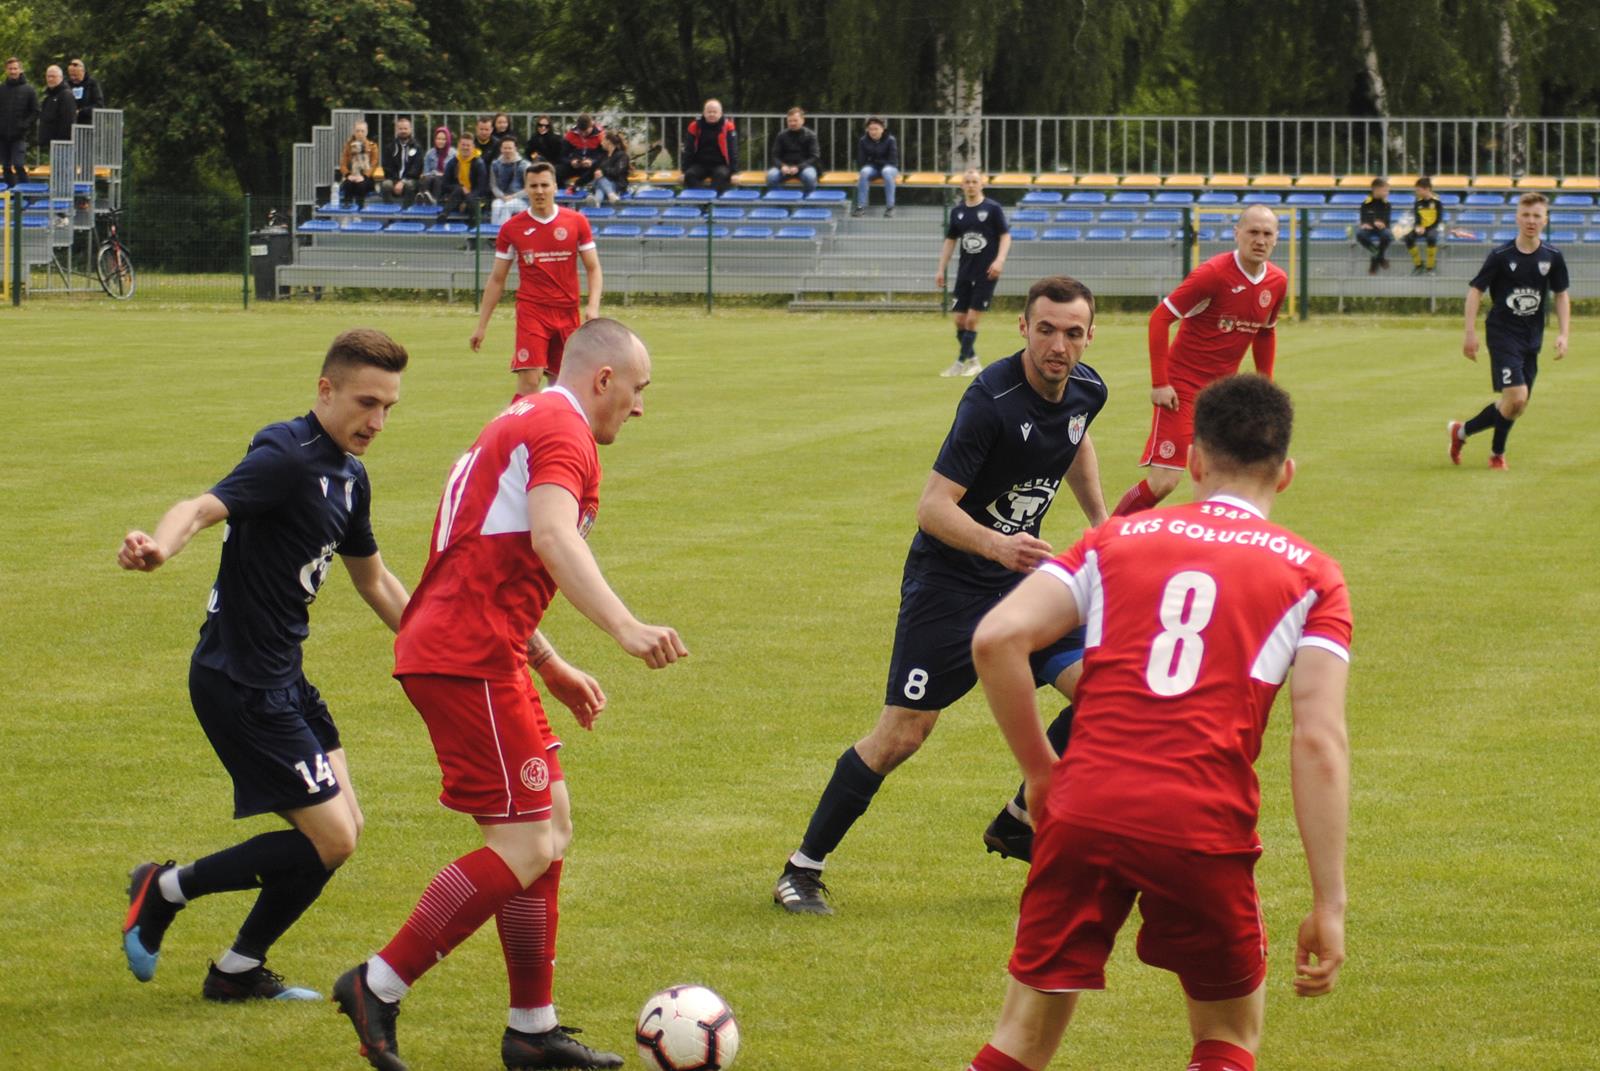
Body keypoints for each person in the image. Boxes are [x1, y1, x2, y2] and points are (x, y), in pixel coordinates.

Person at [962, 373, 1351, 1071]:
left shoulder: (1113, 541)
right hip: (1202, 822)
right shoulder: (1314, 576)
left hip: (1086, 807)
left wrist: (1041, 773)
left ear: (1196, 461)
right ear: (1286, 473)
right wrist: (1330, 900)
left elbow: (996, 639)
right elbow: (1318, 737)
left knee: (1020, 1038)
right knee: (1228, 1036)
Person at [332, 319, 687, 1071]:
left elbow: (490, 557)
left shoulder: (526, 416)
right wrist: (624, 626)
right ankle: (378, 982)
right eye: (638, 389)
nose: (641, 406)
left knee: (549, 820)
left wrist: (551, 663)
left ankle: (532, 1028)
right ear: (602, 380)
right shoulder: (566, 432)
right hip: (467, 656)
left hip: (478, 647)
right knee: (525, 841)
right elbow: (557, 538)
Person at [772, 275, 1110, 916]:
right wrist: (998, 545)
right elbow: (933, 508)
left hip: (1021, 584)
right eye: (1045, 330)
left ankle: (1019, 820)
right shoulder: (991, 402)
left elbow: (1074, 442)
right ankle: (802, 868)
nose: (1058, 346)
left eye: (1072, 333)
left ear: (1090, 335)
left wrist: (1102, 526)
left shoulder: (1088, 389)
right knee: (902, 735)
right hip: (950, 584)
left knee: (1104, 694)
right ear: (1023, 328)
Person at [117, 329, 412, 1004]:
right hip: (239, 681)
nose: (377, 420)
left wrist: (443, 645)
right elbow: (200, 506)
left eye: (390, 406)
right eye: (367, 401)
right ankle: (161, 890)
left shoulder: (349, 476)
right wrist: (160, 548)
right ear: (325, 389)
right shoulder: (284, 452)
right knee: (331, 837)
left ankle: (238, 970)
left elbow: (377, 581)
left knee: (345, 832)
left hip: (285, 676)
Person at [1110, 204, 1286, 517]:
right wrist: (1160, 383)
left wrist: (1264, 387)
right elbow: (1159, 319)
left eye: (1267, 234)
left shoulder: (1276, 282)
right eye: (1253, 232)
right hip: (1182, 387)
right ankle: (1104, 538)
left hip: (1222, 397)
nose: (1260, 240)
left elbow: (1264, 333)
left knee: (1221, 481)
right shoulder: (1213, 274)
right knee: (1164, 481)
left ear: (1276, 238)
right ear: (1237, 234)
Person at [1448, 191, 1570, 471]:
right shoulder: (1501, 256)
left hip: (1532, 337)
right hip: (1503, 334)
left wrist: (1564, 334)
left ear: (1545, 219)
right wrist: (1469, 332)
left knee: (1516, 404)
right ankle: (1496, 455)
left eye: (1536, 216)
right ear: (1517, 218)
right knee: (1516, 396)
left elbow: (1561, 295)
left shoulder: (1552, 256)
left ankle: (1461, 432)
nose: (1531, 221)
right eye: (1526, 215)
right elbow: (1475, 291)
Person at [472, 161, 603, 396]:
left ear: (555, 187)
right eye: (533, 186)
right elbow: (497, 279)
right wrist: (482, 326)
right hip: (532, 311)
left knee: (561, 386)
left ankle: (555, 432)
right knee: (530, 380)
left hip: (567, 312)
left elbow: (593, 268)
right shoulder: (512, 228)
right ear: (526, 188)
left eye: (545, 185)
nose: (539, 191)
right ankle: (519, 432)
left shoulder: (576, 222)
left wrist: (592, 307)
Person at [935, 169, 1011, 378]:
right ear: (962, 186)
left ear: (982, 184)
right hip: (964, 273)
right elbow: (950, 241)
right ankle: (975, 362)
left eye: (974, 182)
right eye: (967, 182)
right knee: (959, 320)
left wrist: (999, 260)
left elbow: (1005, 237)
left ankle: (959, 363)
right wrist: (941, 268)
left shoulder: (992, 209)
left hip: (986, 273)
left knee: (971, 321)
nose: (970, 185)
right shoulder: (957, 212)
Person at [681, 99, 738, 193]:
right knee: (689, 175)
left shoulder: (728, 126)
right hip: (700, 164)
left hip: (721, 165)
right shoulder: (694, 126)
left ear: (721, 113)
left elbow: (733, 151)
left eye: (715, 112)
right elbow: (689, 150)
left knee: (721, 176)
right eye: (709, 112)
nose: (712, 114)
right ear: (704, 113)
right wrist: (684, 171)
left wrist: (735, 173)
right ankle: (703, 200)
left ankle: (711, 202)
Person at [0, 57, 39, 189]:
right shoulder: (2, 89)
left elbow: (35, 111)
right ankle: (10, 193)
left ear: (20, 70)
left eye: (15, 68)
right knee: (5, 166)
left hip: (19, 135)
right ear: (6, 70)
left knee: (18, 164)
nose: (13, 71)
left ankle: (27, 193)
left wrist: (25, 125)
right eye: (10, 68)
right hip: (3, 135)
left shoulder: (29, 90)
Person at [437, 130, 489, 225]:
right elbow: (445, 184)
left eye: (468, 145)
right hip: (456, 197)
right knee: (459, 189)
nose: (465, 148)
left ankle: (445, 213)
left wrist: (467, 198)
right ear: (459, 145)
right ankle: (444, 215)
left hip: (474, 198)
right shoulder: (453, 162)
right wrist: (461, 188)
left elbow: (481, 188)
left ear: (473, 147)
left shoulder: (479, 164)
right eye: (463, 145)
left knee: (471, 202)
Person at [766, 107, 820, 194]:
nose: (792, 123)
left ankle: (805, 203)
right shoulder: (781, 135)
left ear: (802, 120)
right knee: (771, 176)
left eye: (795, 120)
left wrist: (798, 167)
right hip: (784, 168)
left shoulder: (811, 135)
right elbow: (774, 155)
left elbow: (815, 157)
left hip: (804, 167)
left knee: (810, 177)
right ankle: (782, 202)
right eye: (790, 121)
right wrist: (782, 166)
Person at [853, 117, 898, 217]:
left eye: (876, 129)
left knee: (886, 172)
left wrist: (874, 160)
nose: (873, 132)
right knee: (864, 172)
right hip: (872, 167)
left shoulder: (891, 140)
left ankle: (890, 207)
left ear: (883, 129)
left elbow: (892, 160)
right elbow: (861, 161)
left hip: (889, 168)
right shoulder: (863, 141)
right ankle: (860, 207)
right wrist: (873, 162)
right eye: (870, 129)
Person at [382, 116, 425, 206]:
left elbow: (417, 168)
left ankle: (407, 215)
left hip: (410, 180)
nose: (403, 131)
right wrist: (396, 181)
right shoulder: (390, 147)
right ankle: (391, 215)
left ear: (410, 129)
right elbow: (387, 167)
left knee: (410, 185)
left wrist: (403, 182)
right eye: (400, 128)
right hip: (393, 180)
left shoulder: (417, 147)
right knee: (386, 185)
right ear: (396, 130)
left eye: (405, 128)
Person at [490, 133, 532, 225]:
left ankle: (504, 234)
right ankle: (493, 234)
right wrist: (502, 196)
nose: (507, 150)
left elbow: (528, 188)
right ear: (501, 149)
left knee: (508, 206)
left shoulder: (525, 165)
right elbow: (493, 186)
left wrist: (513, 197)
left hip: (522, 200)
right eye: (505, 148)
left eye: (510, 148)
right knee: (496, 205)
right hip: (503, 197)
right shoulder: (495, 164)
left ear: (515, 148)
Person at [1404, 176, 1443, 274]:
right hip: (1421, 227)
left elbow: (1438, 219)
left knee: (1431, 237)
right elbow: (1417, 217)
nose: (1417, 192)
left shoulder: (1437, 201)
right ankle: (1418, 265)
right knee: (1408, 237)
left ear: (1427, 189)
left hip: (1433, 227)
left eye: (1418, 190)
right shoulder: (1417, 202)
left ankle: (1430, 266)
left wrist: (1426, 228)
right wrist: (1418, 226)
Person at [339, 121, 378, 209]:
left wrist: (363, 176)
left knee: (361, 185)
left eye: (362, 131)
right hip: (351, 175)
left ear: (366, 132)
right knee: (348, 184)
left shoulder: (373, 146)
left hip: (366, 178)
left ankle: (359, 209)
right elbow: (343, 164)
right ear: (354, 132)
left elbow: (374, 164)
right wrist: (348, 175)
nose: (360, 133)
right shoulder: (348, 146)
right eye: (357, 131)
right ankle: (347, 209)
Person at [1356, 177, 1392, 274]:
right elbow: (1363, 220)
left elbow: (1386, 222)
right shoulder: (1365, 203)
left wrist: (1378, 223)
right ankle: (1380, 257)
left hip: (1381, 229)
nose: (1387, 193)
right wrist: (1370, 223)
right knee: (1360, 234)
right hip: (1368, 229)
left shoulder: (1387, 204)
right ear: (1376, 189)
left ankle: (1375, 262)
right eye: (1385, 190)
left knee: (1387, 235)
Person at [561, 113, 604, 192]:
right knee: (558, 171)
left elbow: (604, 155)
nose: (583, 135)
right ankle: (560, 194)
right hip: (575, 166)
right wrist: (571, 161)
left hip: (591, 167)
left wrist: (592, 161)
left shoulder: (601, 135)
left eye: (586, 132)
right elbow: (562, 156)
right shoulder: (570, 135)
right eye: (581, 132)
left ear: (592, 126)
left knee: (597, 170)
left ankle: (575, 187)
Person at [37, 65, 76, 148]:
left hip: (62, 145)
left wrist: (61, 141)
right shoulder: (48, 97)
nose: (50, 79)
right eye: (48, 76)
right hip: (51, 144)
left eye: (53, 76)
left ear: (60, 78)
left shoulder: (66, 95)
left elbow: (68, 121)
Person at [417, 124, 455, 206]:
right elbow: (426, 171)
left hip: (446, 179)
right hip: (431, 177)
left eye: (443, 139)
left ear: (448, 140)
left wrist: (441, 174)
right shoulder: (430, 153)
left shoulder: (453, 154)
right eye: (438, 139)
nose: (440, 141)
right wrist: (432, 174)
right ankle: (422, 197)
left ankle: (433, 200)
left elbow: (453, 172)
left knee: (438, 180)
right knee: (427, 179)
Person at [590, 130, 631, 205]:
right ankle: (609, 196)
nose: (601, 143)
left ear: (608, 142)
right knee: (600, 180)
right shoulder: (603, 156)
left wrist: (603, 172)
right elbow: (598, 169)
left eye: (603, 140)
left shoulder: (622, 156)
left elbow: (618, 171)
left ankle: (597, 200)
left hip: (618, 184)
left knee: (600, 180)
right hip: (603, 184)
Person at [65, 57, 104, 125]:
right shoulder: (67, 85)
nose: (73, 77)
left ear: (82, 71)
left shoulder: (92, 84)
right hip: (69, 124)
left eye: (75, 74)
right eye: (71, 74)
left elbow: (99, 105)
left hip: (87, 125)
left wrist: (81, 112)